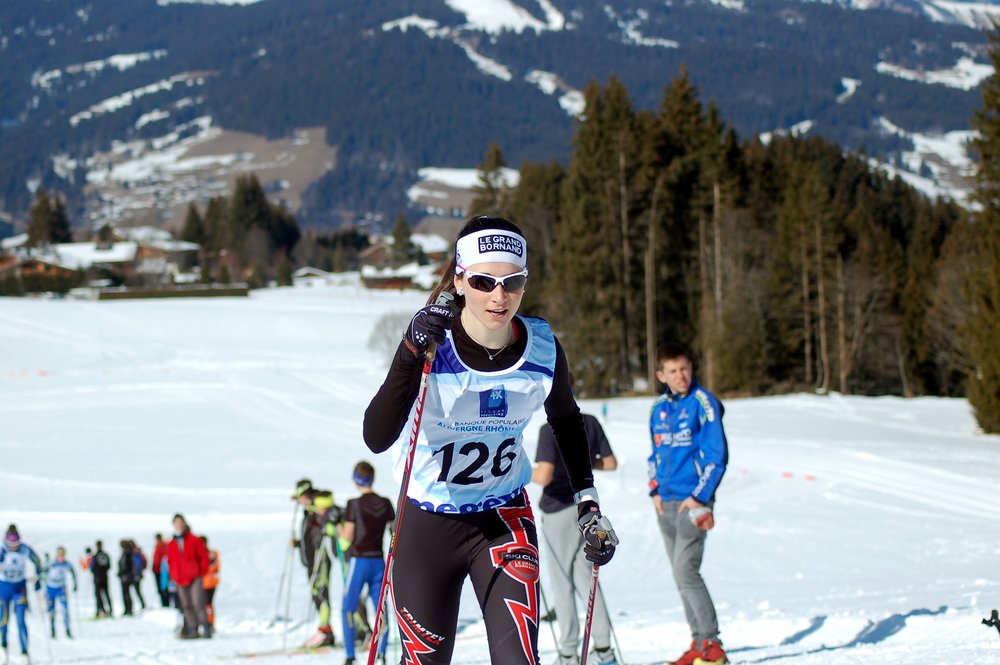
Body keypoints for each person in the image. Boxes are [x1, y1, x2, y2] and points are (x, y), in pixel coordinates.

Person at [364, 215, 618, 665]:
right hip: (427, 523)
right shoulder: (431, 346)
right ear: (460, 281)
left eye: (512, 282)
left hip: (504, 518)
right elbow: (377, 437)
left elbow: (566, 420)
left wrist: (589, 502)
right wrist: (408, 351)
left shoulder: (542, 346)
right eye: (484, 281)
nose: (499, 296)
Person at [648, 343, 729, 665]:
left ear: (691, 368)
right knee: (680, 575)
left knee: (687, 571)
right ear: (661, 375)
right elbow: (654, 453)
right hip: (665, 503)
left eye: (684, 369)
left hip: (692, 501)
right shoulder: (657, 408)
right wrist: (653, 489)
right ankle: (698, 644)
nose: (680, 376)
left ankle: (712, 645)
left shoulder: (703, 402)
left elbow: (716, 456)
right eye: (672, 371)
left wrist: (700, 496)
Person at [533, 413, 619, 665]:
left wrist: (519, 469)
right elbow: (610, 463)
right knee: (586, 577)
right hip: (585, 509)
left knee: (562, 581)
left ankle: (568, 651)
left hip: (558, 508)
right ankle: (603, 647)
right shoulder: (589, 422)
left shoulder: (549, 428)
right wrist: (584, 463)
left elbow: (544, 475)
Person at [340, 461, 394, 665]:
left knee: (348, 607)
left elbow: (347, 536)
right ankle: (380, 653)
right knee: (380, 607)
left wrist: (336, 532)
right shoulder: (385, 502)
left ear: (356, 479)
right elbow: (394, 530)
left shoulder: (354, 504)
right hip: (378, 561)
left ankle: (350, 655)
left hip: (359, 561)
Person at [300, 490, 342, 649]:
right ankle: (326, 630)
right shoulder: (311, 514)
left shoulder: (327, 516)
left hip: (321, 559)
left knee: (321, 592)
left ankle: (325, 631)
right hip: (312, 559)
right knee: (317, 593)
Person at [0, 527, 43, 664]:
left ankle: (24, 651)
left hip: (19, 588)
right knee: (3, 620)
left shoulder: (24, 549)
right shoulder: (2, 550)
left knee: (20, 620)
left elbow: (37, 561)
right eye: (11, 545)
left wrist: (38, 578)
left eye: (16, 544)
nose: (14, 547)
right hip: (4, 588)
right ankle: (3, 646)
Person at [165, 514, 211, 639]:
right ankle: (192, 629)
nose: (179, 525)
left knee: (198, 602)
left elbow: (204, 557)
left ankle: (206, 627)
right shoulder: (171, 543)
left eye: (181, 522)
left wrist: (200, 571)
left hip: (195, 576)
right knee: (186, 604)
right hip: (180, 578)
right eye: (176, 522)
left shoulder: (194, 540)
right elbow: (170, 561)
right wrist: (173, 575)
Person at [44, 547, 78, 639]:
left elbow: (73, 572)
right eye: (60, 555)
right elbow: (43, 572)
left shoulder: (67, 564)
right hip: (51, 588)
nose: (61, 557)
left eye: (63, 555)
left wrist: (75, 584)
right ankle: (52, 630)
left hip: (61, 588)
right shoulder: (52, 563)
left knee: (65, 609)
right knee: (51, 610)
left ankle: (67, 630)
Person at [88, 540, 113, 618]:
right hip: (105, 578)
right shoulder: (105, 555)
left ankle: (100, 611)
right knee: (106, 594)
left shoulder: (95, 556)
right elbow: (109, 566)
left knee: (98, 596)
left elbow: (92, 567)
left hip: (97, 578)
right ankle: (110, 610)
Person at [200, 537, 219, 628]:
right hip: (202, 582)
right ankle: (205, 622)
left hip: (209, 583)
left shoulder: (212, 554)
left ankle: (209, 623)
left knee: (207, 604)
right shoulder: (202, 553)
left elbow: (214, 567)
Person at [152, 534, 170, 607]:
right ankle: (164, 602)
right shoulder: (160, 546)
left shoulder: (161, 546)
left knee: (163, 587)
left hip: (161, 570)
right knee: (162, 587)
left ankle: (165, 602)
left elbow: (159, 559)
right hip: (159, 569)